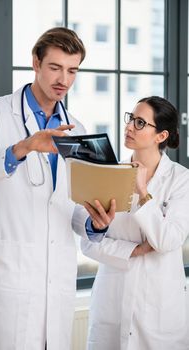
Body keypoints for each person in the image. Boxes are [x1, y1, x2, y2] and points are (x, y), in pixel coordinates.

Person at [0, 27, 112, 350]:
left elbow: (68, 206)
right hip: (12, 283)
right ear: (36, 63)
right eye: (55, 67)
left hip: (57, 286)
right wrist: (23, 148)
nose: (63, 80)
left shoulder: (76, 130)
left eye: (72, 71)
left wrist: (92, 222)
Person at [73, 96, 189, 350]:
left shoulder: (181, 180)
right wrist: (133, 250)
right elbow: (88, 242)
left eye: (139, 123)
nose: (129, 127)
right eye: (130, 119)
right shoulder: (108, 172)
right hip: (112, 302)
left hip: (160, 310)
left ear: (160, 136)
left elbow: (168, 240)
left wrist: (141, 190)